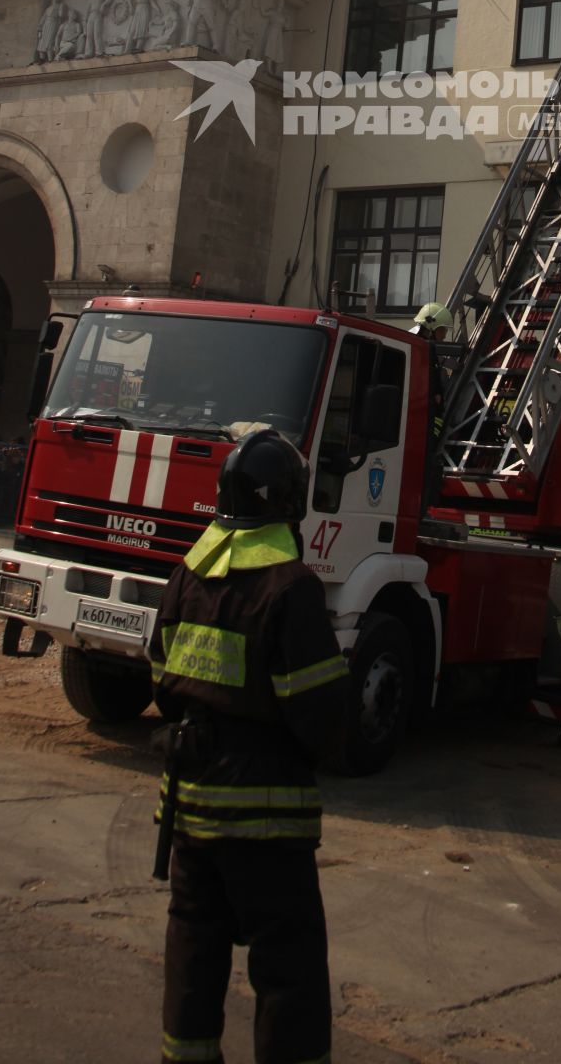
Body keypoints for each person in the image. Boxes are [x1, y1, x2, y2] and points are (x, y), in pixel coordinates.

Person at [147, 428, 348, 1064]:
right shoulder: (290, 588)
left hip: (190, 804)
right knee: (288, 969)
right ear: (289, 502)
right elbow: (318, 712)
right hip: (267, 817)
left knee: (193, 951)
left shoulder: (187, 575)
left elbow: (162, 677)